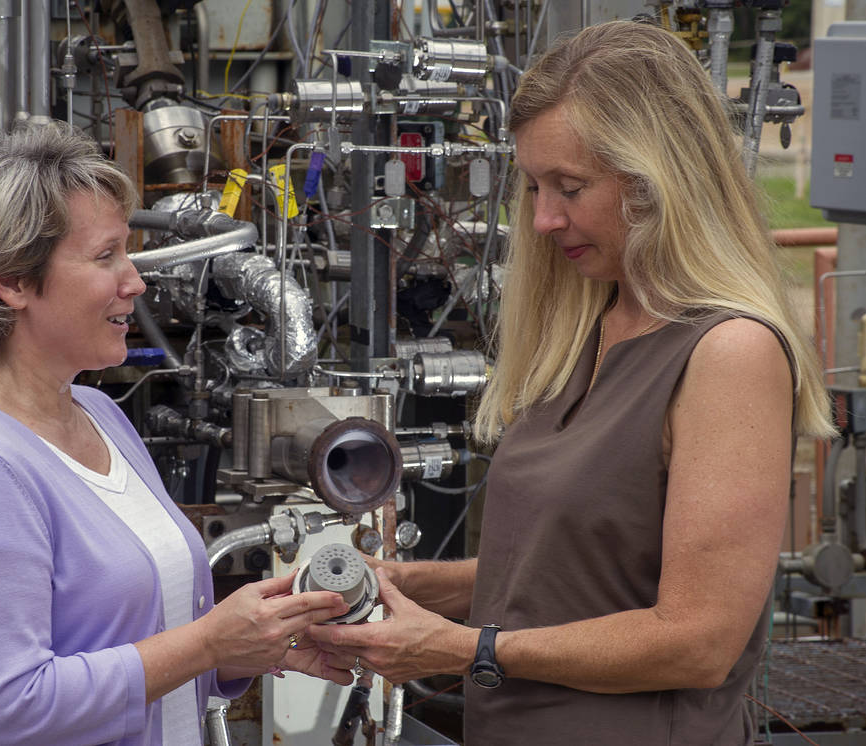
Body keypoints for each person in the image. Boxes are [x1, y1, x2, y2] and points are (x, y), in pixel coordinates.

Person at [309, 20, 835, 745]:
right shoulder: (592, 327)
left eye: (570, 187)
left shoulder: (727, 352)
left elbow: (696, 641)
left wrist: (469, 649)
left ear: (660, 179)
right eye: (531, 186)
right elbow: (581, 565)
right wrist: (424, 585)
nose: (543, 219)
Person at [0, 124, 353, 746]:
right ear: (12, 282)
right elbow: (9, 709)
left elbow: (140, 653)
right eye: (106, 256)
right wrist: (208, 640)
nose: (136, 281)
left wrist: (253, 645)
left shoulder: (97, 414)